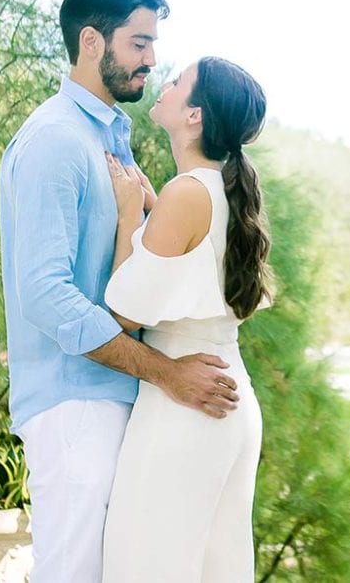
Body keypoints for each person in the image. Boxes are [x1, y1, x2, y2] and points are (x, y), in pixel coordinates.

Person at [0, 0, 240, 583]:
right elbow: (47, 295)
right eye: (139, 44)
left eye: (154, 46)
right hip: (74, 400)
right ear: (90, 42)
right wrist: (168, 374)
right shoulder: (56, 139)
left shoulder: (110, 138)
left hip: (117, 395)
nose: (151, 61)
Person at [101, 56, 273, 582]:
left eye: (178, 83)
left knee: (147, 566)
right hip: (228, 397)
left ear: (195, 115)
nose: (165, 83)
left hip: (188, 402)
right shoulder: (217, 190)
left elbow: (121, 313)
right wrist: (155, 205)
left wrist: (131, 211)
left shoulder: (186, 193)